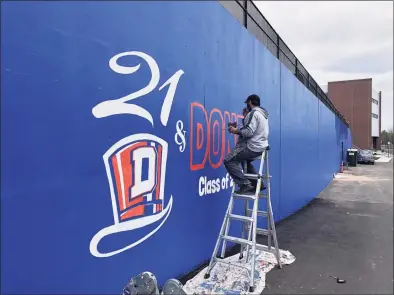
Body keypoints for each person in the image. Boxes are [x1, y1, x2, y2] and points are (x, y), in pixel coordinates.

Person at [224, 94, 269, 194]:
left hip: (252, 147)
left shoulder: (253, 113)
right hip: (261, 147)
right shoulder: (262, 114)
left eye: (247, 103)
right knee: (245, 161)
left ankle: (244, 184)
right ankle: (257, 184)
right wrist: (244, 121)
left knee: (228, 161)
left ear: (249, 102)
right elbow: (253, 129)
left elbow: (248, 132)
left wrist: (235, 130)